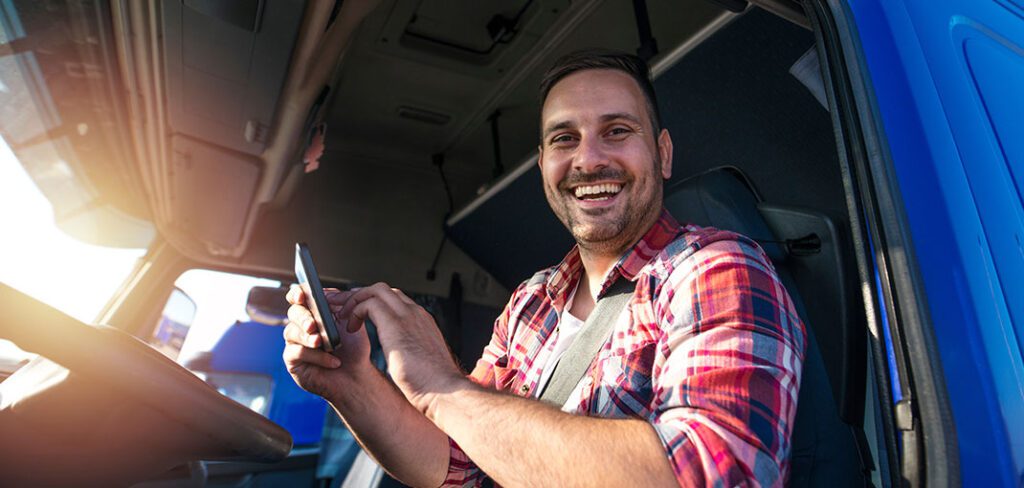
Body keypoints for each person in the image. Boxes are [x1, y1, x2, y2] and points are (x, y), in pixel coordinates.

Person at [283, 49, 805, 487]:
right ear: (542, 166)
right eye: (564, 138)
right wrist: (351, 382)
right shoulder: (531, 300)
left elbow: (715, 475)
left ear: (663, 154)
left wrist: (443, 384)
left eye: (617, 130)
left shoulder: (716, 268)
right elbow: (459, 465)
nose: (588, 159)